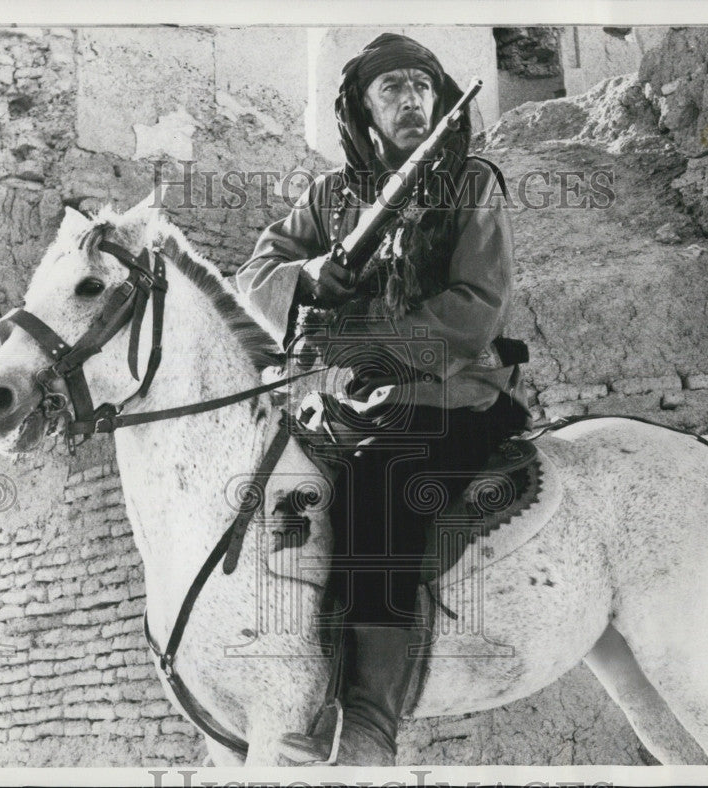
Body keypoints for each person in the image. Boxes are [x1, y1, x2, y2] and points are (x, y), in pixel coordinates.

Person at [235, 33, 528, 765]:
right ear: (363, 109)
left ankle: (368, 723)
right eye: (391, 89)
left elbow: (476, 307)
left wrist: (368, 343)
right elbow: (258, 271)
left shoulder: (471, 183)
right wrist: (310, 278)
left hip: (450, 396)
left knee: (381, 493)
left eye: (422, 87)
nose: (412, 101)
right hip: (349, 404)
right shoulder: (332, 197)